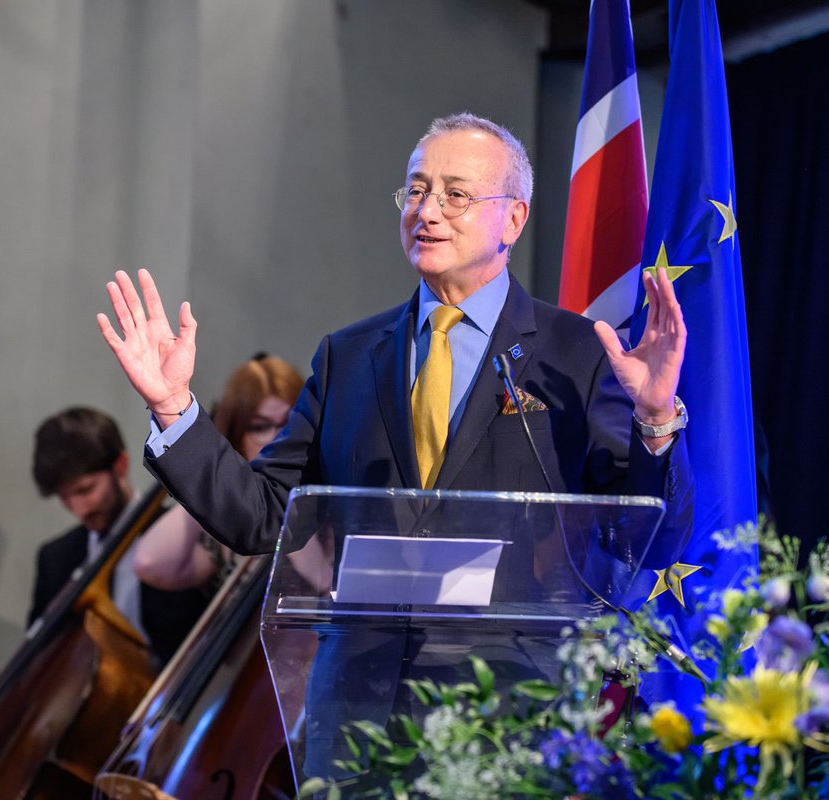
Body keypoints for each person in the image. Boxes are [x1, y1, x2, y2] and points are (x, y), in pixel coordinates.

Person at [97, 112, 695, 776]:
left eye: (455, 195)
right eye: (415, 190)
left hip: (508, 712)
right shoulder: (349, 356)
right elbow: (262, 515)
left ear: (514, 219)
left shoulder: (574, 353)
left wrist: (655, 416)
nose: (427, 211)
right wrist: (173, 408)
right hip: (357, 713)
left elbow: (644, 535)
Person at [29, 407, 208, 665]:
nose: (79, 509)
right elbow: (41, 661)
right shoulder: (54, 558)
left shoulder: (178, 538)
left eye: (85, 490)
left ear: (120, 466)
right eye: (65, 497)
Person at [132, 354, 304, 590]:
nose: (276, 437)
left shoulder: (325, 507)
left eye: (288, 423)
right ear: (235, 432)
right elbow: (149, 563)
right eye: (260, 427)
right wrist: (216, 480)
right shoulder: (233, 523)